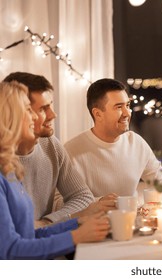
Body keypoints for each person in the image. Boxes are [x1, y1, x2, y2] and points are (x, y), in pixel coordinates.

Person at [0, 81, 109, 259]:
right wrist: (77, 236)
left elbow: (30, 236)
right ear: (9, 117)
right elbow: (10, 251)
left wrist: (77, 223)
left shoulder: (10, 169)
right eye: (28, 110)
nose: (35, 118)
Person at [64, 78, 162, 200]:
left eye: (128, 105)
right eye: (119, 107)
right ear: (98, 114)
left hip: (132, 217)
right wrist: (98, 202)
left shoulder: (136, 142)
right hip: (95, 219)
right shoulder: (71, 151)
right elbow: (60, 203)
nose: (127, 113)